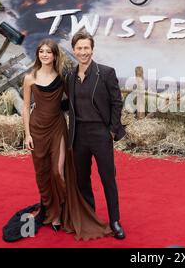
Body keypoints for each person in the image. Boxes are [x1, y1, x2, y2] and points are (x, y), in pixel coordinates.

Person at [21, 38, 113, 240]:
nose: (45, 55)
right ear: (38, 54)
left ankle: (63, 211)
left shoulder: (63, 78)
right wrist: (27, 134)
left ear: (55, 55)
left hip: (57, 128)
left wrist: (98, 119)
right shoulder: (29, 78)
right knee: (43, 173)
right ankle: (52, 214)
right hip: (37, 130)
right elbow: (26, 108)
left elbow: (75, 99)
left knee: (58, 172)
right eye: (41, 51)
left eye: (48, 52)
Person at [64, 30, 127, 239]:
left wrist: (111, 130)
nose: (83, 52)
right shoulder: (69, 76)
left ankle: (115, 220)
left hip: (100, 134)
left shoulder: (106, 73)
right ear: (74, 50)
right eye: (79, 48)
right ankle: (89, 217)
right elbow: (67, 104)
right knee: (82, 180)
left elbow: (117, 103)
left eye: (86, 48)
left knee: (108, 178)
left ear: (92, 49)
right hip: (78, 135)